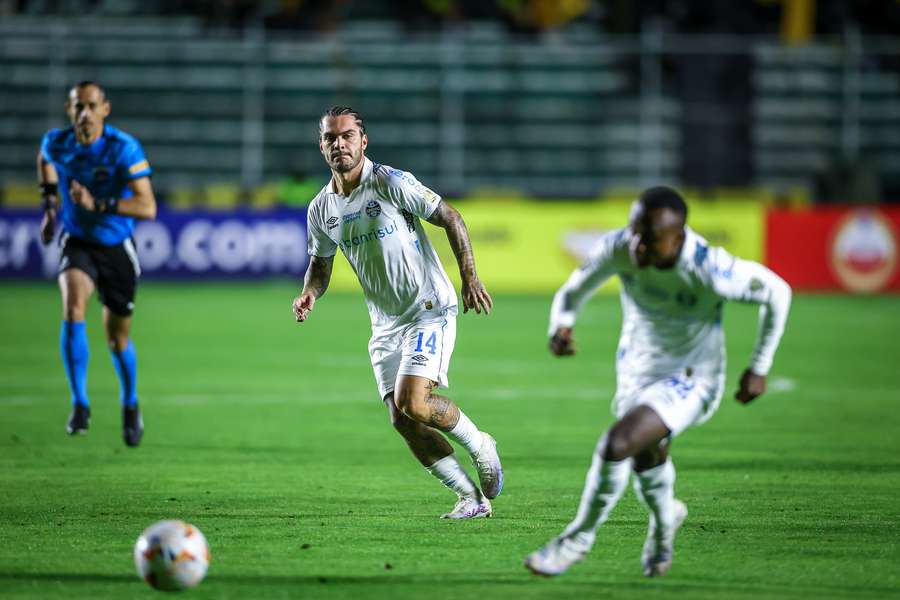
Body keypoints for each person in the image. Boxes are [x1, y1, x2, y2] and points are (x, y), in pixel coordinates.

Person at [524, 187, 791, 577]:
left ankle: (576, 540)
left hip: (691, 378)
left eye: (649, 238)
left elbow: (778, 292)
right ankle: (666, 522)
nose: (637, 245)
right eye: (634, 231)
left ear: (677, 237)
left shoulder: (710, 268)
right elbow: (573, 290)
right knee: (646, 453)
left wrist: (759, 366)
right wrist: (560, 325)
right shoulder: (621, 247)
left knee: (618, 443)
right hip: (635, 371)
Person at [292, 106, 503, 519]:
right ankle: (470, 498)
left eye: (347, 136)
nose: (340, 144)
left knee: (414, 402)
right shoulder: (321, 209)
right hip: (385, 324)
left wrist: (470, 278)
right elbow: (321, 265)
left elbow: (451, 217)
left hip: (428, 308)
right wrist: (309, 293)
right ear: (322, 146)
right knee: (402, 419)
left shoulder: (389, 182)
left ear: (363, 140)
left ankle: (480, 444)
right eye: (331, 138)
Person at [38, 81, 157, 447]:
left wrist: (98, 205)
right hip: (79, 242)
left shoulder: (123, 148)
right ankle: (79, 403)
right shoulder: (57, 142)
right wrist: (50, 206)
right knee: (73, 308)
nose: (83, 113)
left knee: (117, 340)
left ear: (105, 109)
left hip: (116, 246)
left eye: (91, 106)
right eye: (77, 106)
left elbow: (147, 208)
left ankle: (130, 402)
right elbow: (46, 160)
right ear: (68, 109)